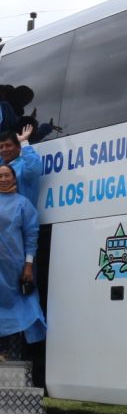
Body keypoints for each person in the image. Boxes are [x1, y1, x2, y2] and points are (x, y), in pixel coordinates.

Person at [0, 164, 46, 361]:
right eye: (0, 176)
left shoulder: (23, 204)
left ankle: (9, 354)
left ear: (14, 178)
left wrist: (28, 266)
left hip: (13, 268)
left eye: (6, 175)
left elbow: (31, 236)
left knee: (16, 311)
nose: (3, 179)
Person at [0, 124, 43, 207]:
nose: (4, 149)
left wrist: (24, 142)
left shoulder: (24, 166)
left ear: (19, 147)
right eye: (1, 147)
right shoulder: (2, 167)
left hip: (20, 214)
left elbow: (34, 169)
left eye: (8, 145)